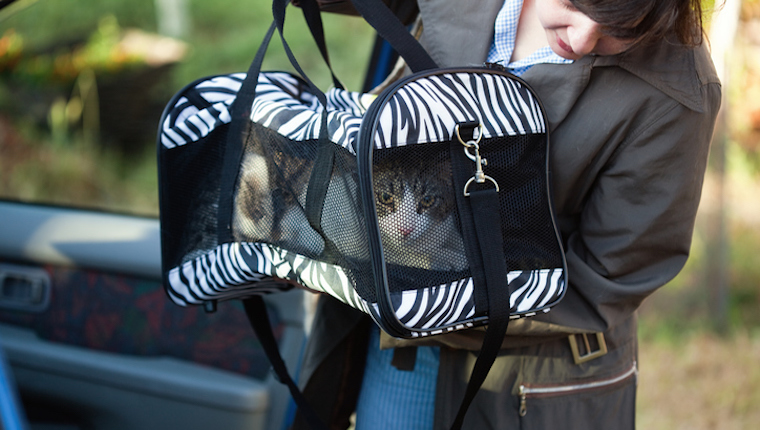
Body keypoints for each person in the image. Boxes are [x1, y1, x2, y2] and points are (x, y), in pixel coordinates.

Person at [291, 0, 722, 429]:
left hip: (524, 378)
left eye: (622, 26)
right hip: (398, 350)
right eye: (572, 3)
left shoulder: (678, 93)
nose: (581, 39)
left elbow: (608, 278)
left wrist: (425, 297)